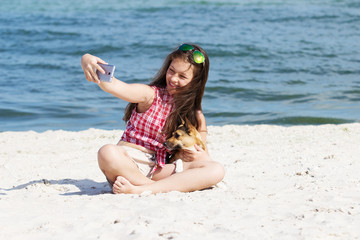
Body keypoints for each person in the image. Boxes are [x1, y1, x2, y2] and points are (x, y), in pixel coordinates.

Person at [81, 43, 225, 194]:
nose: (174, 79)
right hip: (127, 163)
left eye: (182, 76)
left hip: (159, 168)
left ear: (195, 81)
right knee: (107, 152)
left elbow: (206, 158)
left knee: (216, 169)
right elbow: (115, 86)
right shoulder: (150, 95)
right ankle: (150, 188)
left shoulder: (195, 114)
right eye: (171, 71)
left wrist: (197, 154)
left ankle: (142, 188)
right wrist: (87, 59)